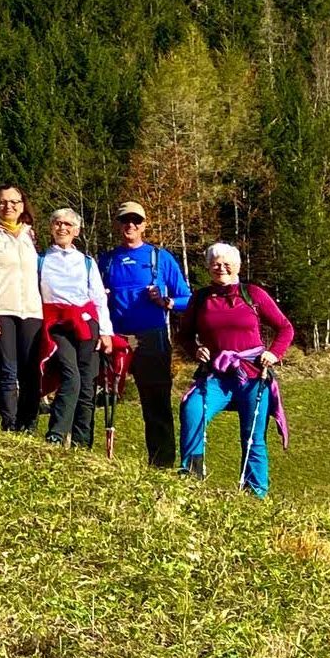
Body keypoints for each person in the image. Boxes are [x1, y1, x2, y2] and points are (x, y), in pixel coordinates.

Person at [179, 243, 293, 497]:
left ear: (238, 266)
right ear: (208, 267)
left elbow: (285, 328)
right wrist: (195, 350)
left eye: (226, 263)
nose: (221, 267)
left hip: (253, 375)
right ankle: (191, 480)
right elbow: (184, 335)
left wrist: (274, 353)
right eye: (215, 263)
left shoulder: (252, 294)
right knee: (192, 410)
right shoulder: (200, 298)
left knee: (253, 436)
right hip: (215, 376)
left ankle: (255, 493)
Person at [98, 201, 192, 468]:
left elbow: (187, 298)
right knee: (104, 401)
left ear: (144, 225)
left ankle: (161, 466)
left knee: (156, 404)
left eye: (136, 220)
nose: (130, 225)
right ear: (117, 225)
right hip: (114, 339)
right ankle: (101, 461)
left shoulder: (160, 258)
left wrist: (167, 302)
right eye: (125, 220)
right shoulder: (105, 261)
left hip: (152, 338)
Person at [37, 208, 113, 448]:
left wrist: (106, 332)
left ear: (76, 231)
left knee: (88, 384)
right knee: (71, 376)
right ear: (51, 228)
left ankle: (82, 443)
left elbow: (99, 297)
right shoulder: (41, 260)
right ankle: (56, 434)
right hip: (56, 325)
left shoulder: (87, 262)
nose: (62, 228)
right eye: (58, 223)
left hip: (86, 325)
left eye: (68, 224)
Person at [0, 184, 43, 432]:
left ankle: (29, 424)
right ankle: (10, 424)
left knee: (31, 372)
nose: (9, 206)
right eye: (3, 202)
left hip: (32, 311)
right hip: (0, 310)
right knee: (7, 370)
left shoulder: (30, 235)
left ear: (23, 205)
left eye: (14, 201)